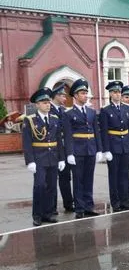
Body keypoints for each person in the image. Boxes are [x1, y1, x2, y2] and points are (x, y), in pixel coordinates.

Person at [22, 87, 65, 226]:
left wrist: (61, 158)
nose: (48, 105)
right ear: (37, 104)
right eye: (44, 102)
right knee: (40, 186)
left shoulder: (54, 118)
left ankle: (49, 213)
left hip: (53, 157)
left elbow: (58, 140)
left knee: (52, 187)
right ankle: (37, 214)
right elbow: (27, 142)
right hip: (39, 159)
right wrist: (30, 161)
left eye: (48, 102)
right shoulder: (30, 120)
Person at [63, 79, 103, 219]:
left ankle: (88, 206)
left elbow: (96, 131)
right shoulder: (68, 114)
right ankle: (79, 207)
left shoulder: (91, 112)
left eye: (86, 93)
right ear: (75, 95)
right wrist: (69, 153)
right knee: (78, 180)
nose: (85, 95)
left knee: (88, 179)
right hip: (77, 150)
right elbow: (68, 135)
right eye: (82, 93)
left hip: (90, 149)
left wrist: (99, 149)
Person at [99, 81, 129, 212]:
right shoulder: (105, 111)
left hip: (125, 145)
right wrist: (106, 150)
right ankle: (116, 202)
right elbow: (104, 131)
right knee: (114, 176)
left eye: (119, 92)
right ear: (110, 94)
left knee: (124, 175)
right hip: (113, 147)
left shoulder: (127, 109)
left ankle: (125, 200)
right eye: (115, 92)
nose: (117, 94)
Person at [49, 83, 74, 214]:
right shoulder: (48, 110)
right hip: (53, 149)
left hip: (64, 148)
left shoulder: (64, 110)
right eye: (62, 95)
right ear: (56, 96)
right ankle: (51, 207)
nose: (65, 97)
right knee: (52, 179)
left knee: (65, 177)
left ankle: (68, 203)